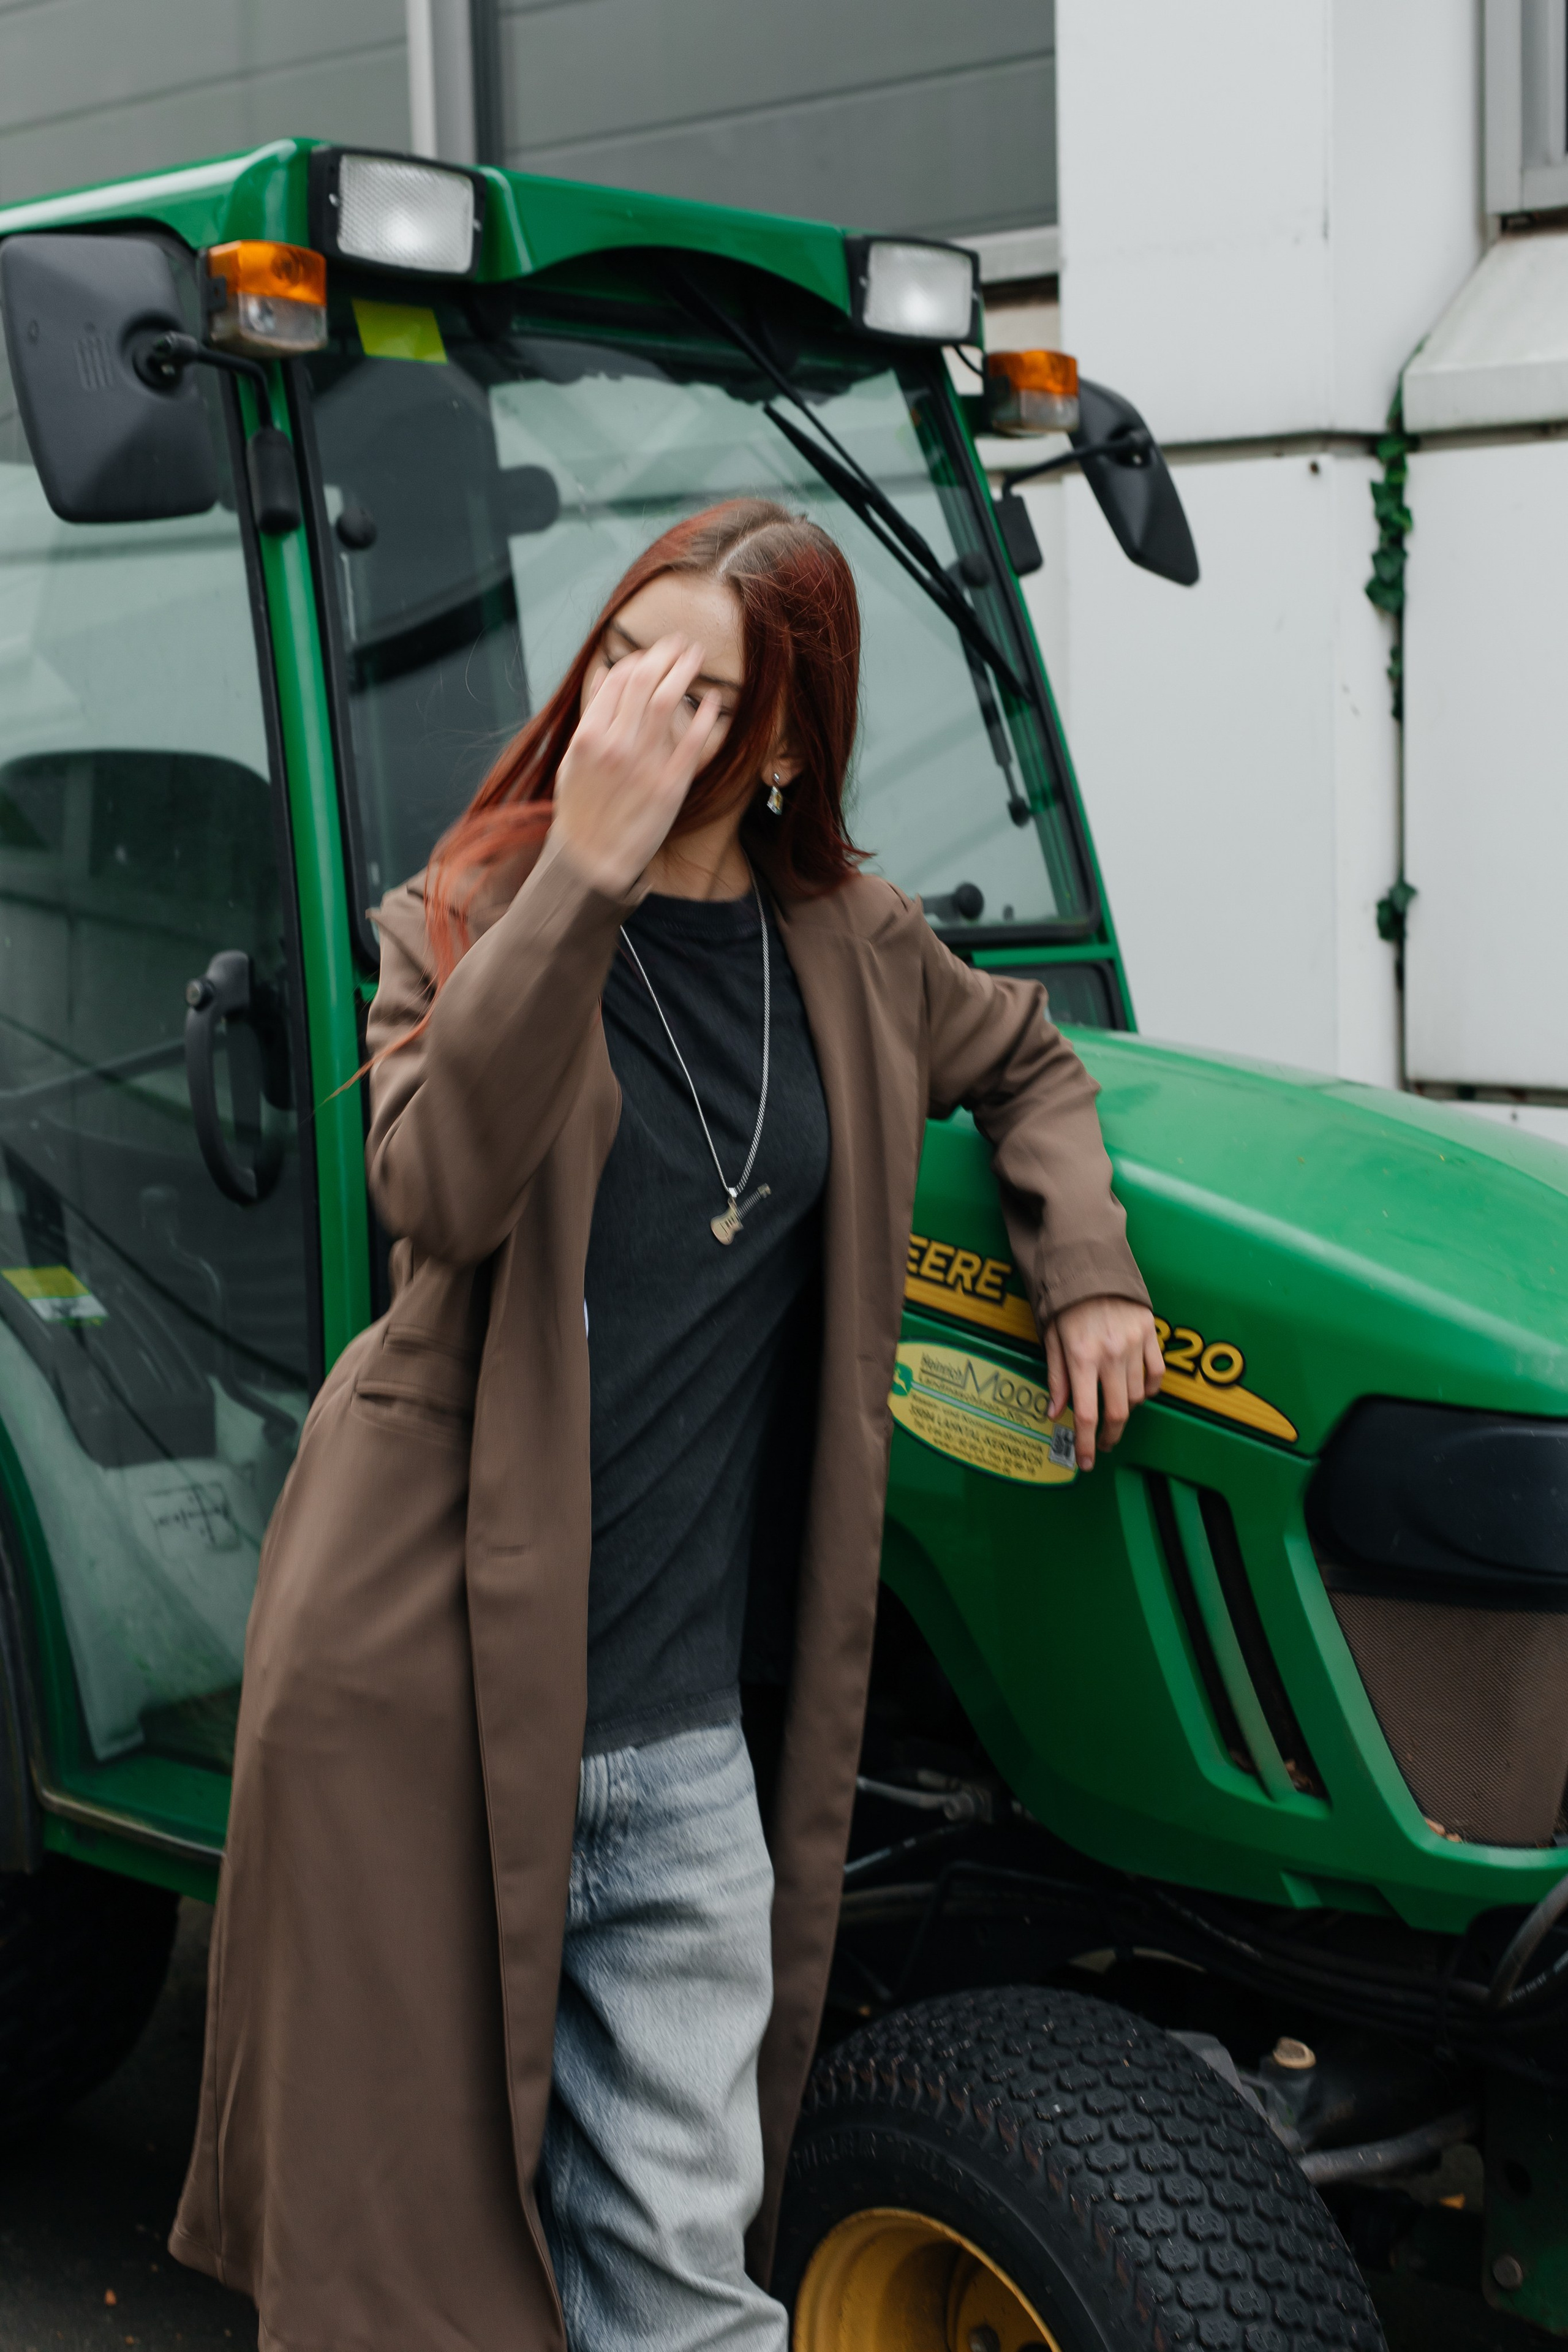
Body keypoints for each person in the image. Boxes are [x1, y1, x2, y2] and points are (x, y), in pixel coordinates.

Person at [171, 497, 1162, 2351]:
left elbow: (1026, 1054)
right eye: (629, 655)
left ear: (780, 741)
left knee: (683, 2285)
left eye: (704, 692)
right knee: (413, 2286)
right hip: (430, 1691)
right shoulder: (461, 909)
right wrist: (587, 876)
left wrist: (1085, 1263)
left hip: (686, 1746)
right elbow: (437, 1191)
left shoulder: (855, 947)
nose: (643, 707)